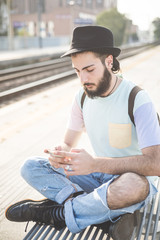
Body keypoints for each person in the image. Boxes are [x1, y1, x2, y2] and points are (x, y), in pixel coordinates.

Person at [5, 26, 160, 239]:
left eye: (89, 69)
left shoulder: (137, 99)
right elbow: (68, 142)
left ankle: (57, 213)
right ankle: (93, 212)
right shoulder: (82, 97)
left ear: (109, 61)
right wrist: (60, 153)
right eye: (77, 71)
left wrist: (95, 164)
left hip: (131, 180)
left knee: (131, 186)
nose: (83, 78)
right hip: (97, 178)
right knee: (31, 166)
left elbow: (155, 164)